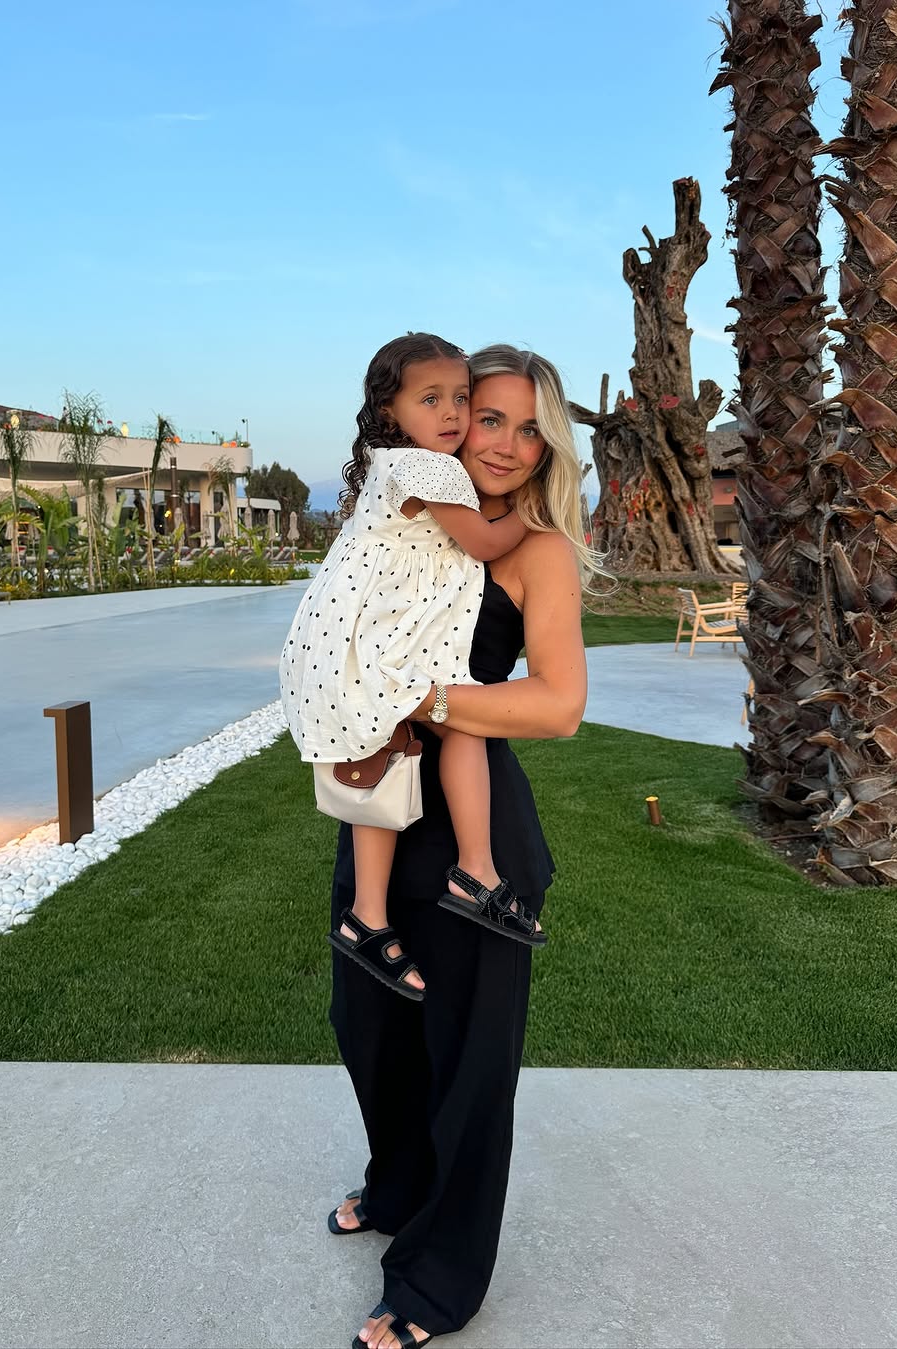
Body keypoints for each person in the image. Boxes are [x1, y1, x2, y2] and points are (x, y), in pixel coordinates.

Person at [325, 344, 598, 1349]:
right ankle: (398, 1184)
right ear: (448, 418)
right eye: (491, 418)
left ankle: (438, 1278)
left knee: (468, 1065)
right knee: (369, 1024)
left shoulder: (532, 549)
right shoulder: (407, 510)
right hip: (383, 810)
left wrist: (420, 698)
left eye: (532, 431)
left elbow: (558, 703)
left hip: (475, 838)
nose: (509, 445)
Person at [280, 334, 545, 1002]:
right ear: (389, 410)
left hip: (362, 631)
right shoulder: (427, 469)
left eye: (461, 397)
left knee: (383, 753)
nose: (451, 412)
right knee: (463, 723)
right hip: (383, 635)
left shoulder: (392, 464)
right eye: (431, 399)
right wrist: (533, 515)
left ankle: (366, 915)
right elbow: (483, 542)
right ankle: (476, 869)